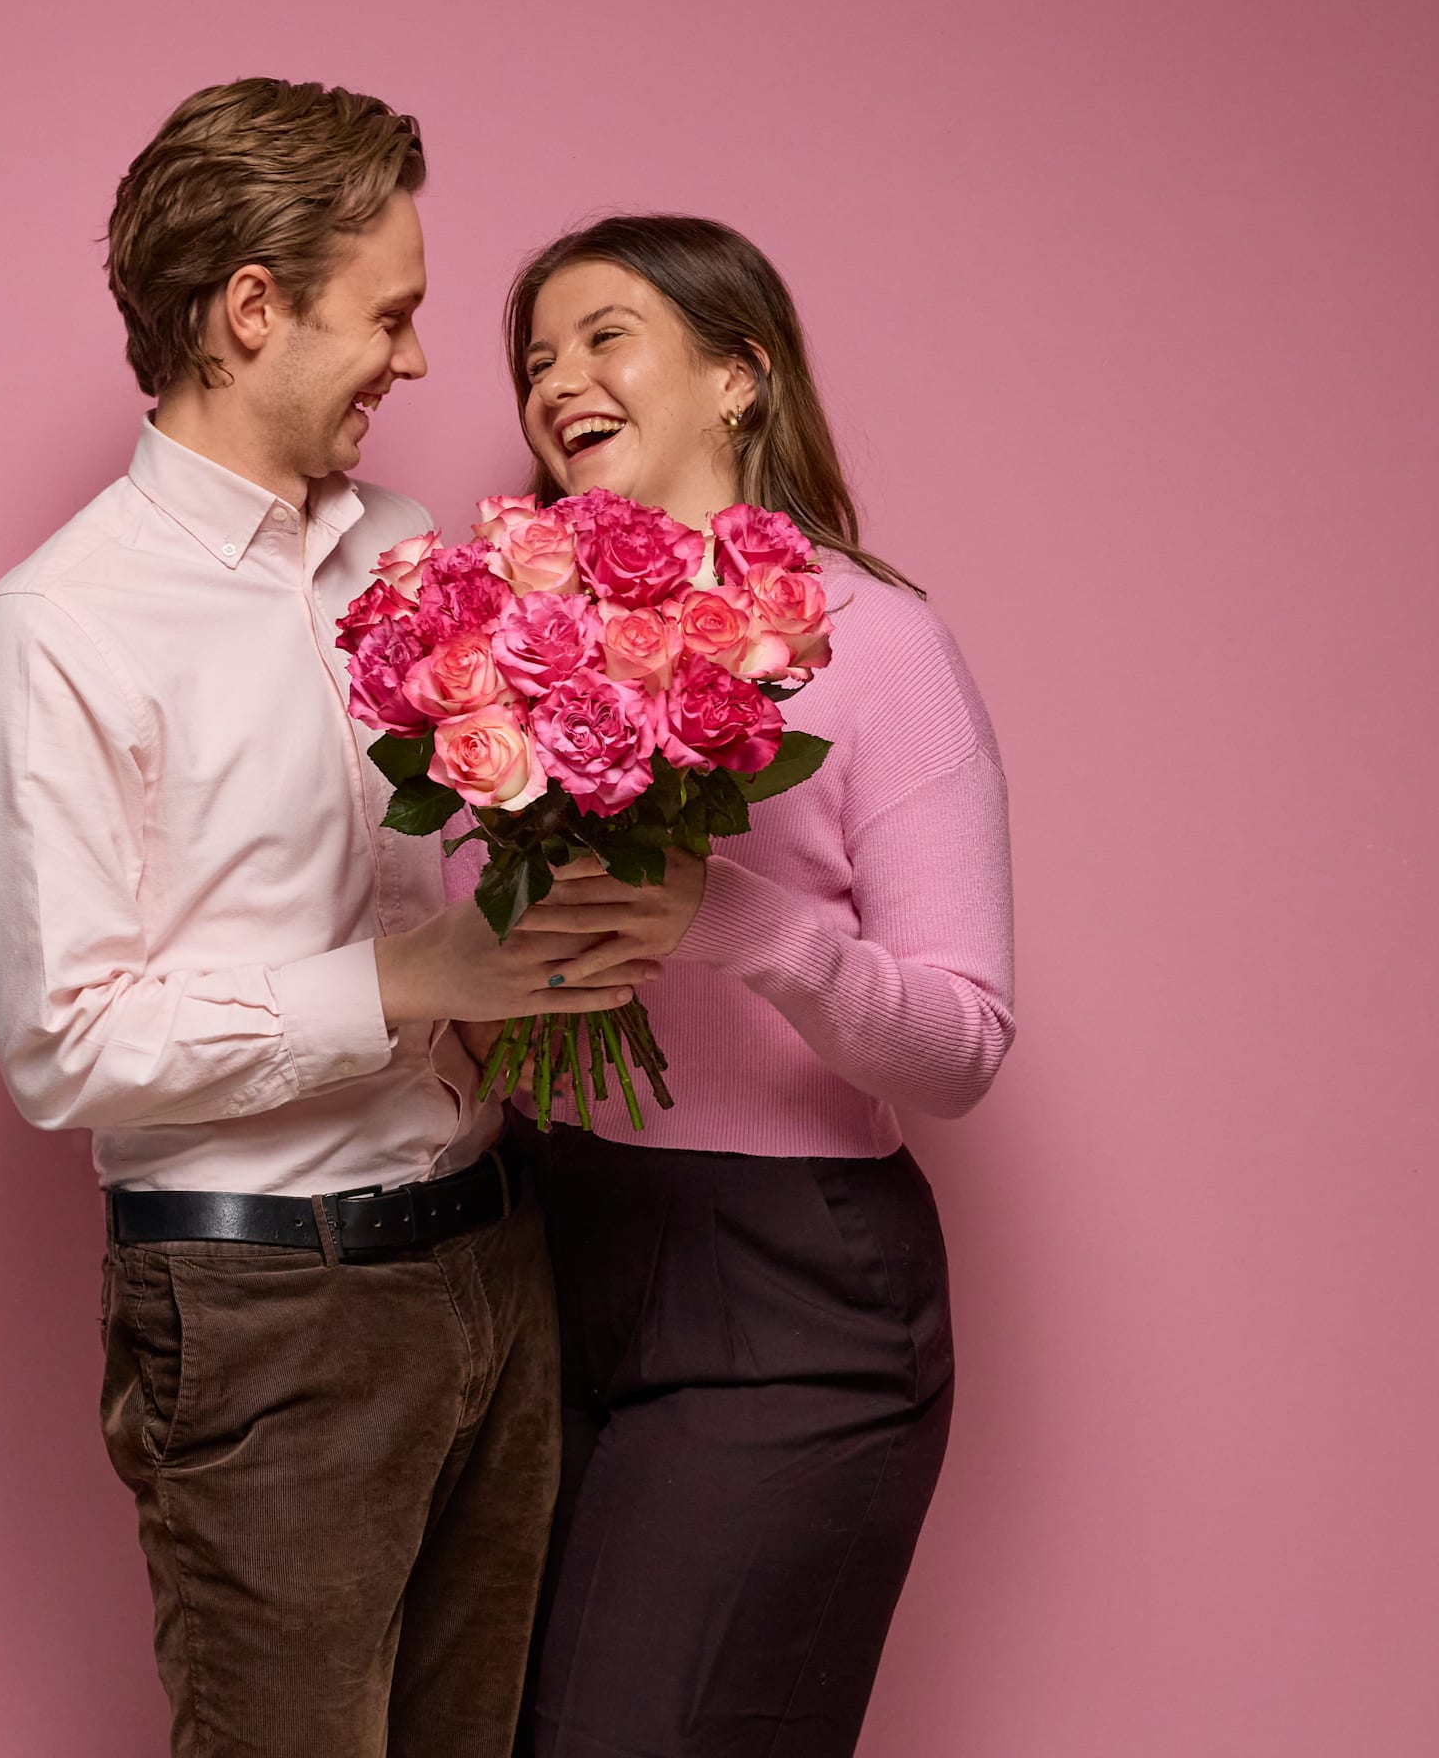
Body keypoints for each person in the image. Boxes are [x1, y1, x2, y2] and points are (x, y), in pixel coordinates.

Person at [0, 80, 678, 1758]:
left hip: (495, 1254)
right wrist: (418, 975)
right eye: (391, 315)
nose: (418, 363)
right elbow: (66, 1046)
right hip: (269, 1314)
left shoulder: (406, 555)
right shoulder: (61, 630)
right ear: (252, 311)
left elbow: (464, 870)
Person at [465, 214, 1017, 1758]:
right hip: (544, 1249)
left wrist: (743, 925)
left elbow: (964, 1045)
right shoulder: (519, 648)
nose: (559, 379)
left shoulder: (880, 646)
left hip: (791, 1292)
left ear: (739, 376)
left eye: (605, 336)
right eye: (536, 358)